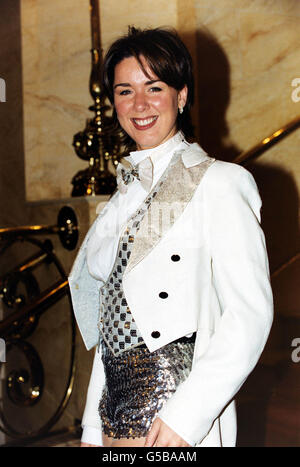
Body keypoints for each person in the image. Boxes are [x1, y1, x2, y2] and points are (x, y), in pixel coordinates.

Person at [68, 26, 273, 448]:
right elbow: (113, 323)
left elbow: (249, 316)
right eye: (124, 91)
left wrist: (188, 415)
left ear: (181, 96)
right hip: (114, 417)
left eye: (154, 87)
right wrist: (91, 427)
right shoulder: (119, 202)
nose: (139, 104)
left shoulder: (221, 183)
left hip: (178, 420)